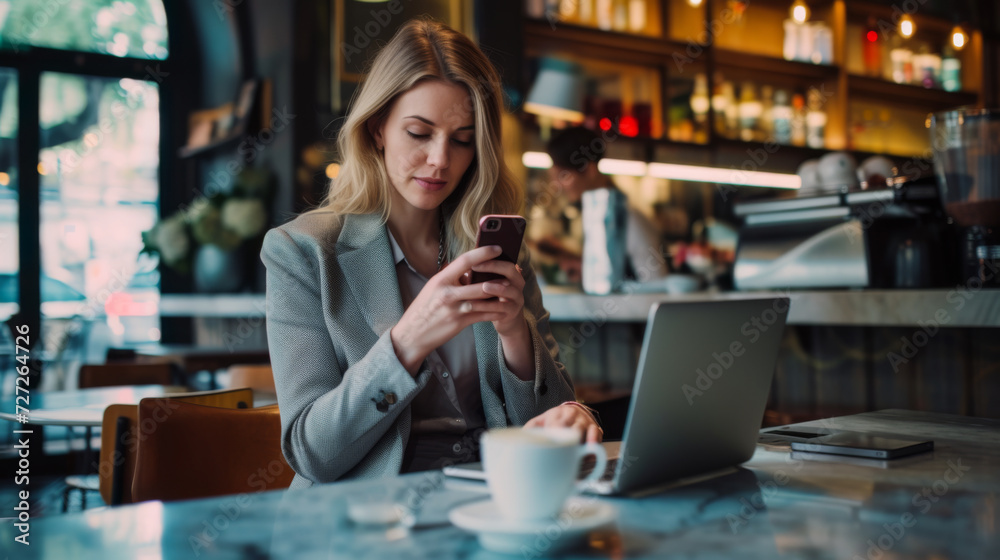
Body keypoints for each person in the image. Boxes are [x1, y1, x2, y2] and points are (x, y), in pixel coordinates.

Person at [260, 18, 601, 488]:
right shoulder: (302, 252)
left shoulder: (496, 252)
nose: (441, 160)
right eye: (419, 133)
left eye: (462, 140)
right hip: (368, 518)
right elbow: (311, 453)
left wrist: (515, 336)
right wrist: (407, 343)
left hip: (491, 493)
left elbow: (545, 426)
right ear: (377, 128)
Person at [537, 126, 669, 283]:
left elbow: (657, 283)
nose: (557, 185)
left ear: (591, 170)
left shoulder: (630, 218)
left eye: (563, 176)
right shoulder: (590, 215)